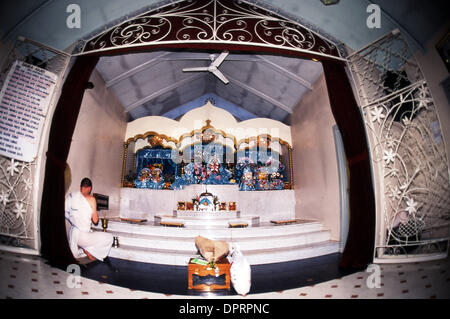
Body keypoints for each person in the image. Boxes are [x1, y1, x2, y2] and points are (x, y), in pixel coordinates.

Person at [65, 178, 113, 261]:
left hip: (73, 234)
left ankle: (85, 249)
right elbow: (95, 221)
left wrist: (76, 220)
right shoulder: (92, 199)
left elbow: (66, 213)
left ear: (81, 187)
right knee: (109, 238)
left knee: (90, 233)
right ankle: (88, 249)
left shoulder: (71, 196)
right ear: (89, 188)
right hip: (84, 237)